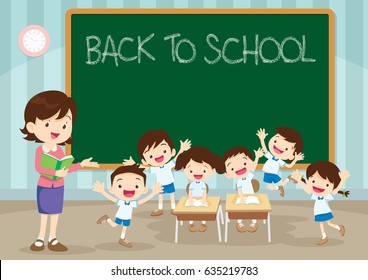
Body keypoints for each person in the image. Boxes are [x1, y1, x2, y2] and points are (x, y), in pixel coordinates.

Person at [21, 90, 99, 252]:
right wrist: (56, 173)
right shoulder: (41, 150)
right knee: (44, 213)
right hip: (44, 186)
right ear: (32, 127)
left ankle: (53, 238)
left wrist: (81, 165)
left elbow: (66, 167)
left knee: (55, 212)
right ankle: (40, 238)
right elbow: (39, 168)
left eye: (64, 125)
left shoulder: (59, 151)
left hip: (58, 187)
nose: (57, 130)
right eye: (48, 124)